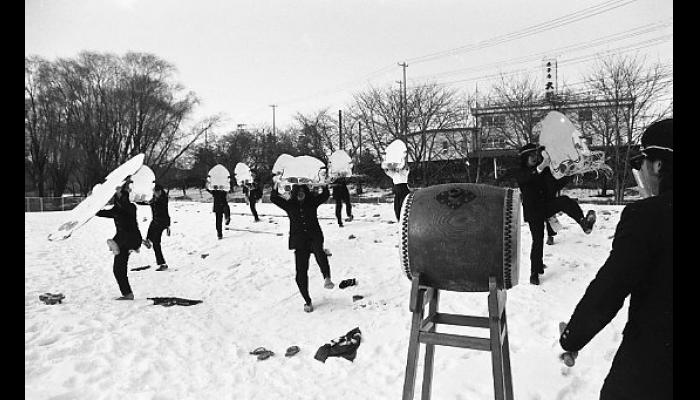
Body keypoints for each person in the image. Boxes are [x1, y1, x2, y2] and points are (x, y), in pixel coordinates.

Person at [559, 118, 672, 400]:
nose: (640, 171)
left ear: (658, 165)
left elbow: (611, 288)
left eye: (641, 162)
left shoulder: (648, 217)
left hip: (654, 367)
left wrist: (573, 337)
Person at [515, 143, 596, 285]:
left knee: (564, 200)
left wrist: (571, 174)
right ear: (525, 158)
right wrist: (541, 167)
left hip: (545, 206)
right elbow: (526, 178)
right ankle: (535, 272)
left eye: (536, 155)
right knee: (538, 240)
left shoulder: (544, 171)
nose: (535, 158)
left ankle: (584, 222)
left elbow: (554, 185)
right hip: (534, 212)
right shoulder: (521, 172)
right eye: (532, 156)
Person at [270, 180, 335, 313]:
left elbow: (325, 194)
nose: (301, 194)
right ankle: (307, 300)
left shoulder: (312, 202)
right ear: (294, 193)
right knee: (301, 272)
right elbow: (273, 198)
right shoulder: (289, 205)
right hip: (299, 241)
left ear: (306, 193)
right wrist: (275, 184)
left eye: (303, 192)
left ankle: (327, 277)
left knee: (319, 252)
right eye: (298, 192)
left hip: (314, 236)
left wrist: (323, 183)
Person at [96, 184, 143, 300]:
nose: (117, 195)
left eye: (120, 194)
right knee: (118, 269)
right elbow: (106, 212)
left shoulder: (131, 207)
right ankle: (127, 294)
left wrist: (121, 192)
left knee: (119, 239)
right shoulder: (117, 208)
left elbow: (125, 207)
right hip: (124, 242)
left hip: (131, 239)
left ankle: (115, 245)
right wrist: (93, 209)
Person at [142, 183, 171, 271]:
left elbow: (158, 203)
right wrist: (138, 200)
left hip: (162, 222)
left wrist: (150, 201)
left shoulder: (163, 199)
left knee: (156, 243)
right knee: (150, 232)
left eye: (158, 191)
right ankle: (148, 241)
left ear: (161, 191)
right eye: (155, 192)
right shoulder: (154, 199)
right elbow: (148, 202)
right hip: (155, 221)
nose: (157, 193)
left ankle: (162, 264)